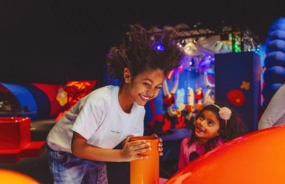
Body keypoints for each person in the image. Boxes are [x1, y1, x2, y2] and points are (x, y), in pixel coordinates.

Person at [46, 24, 185, 184]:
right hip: (65, 152)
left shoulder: (139, 109)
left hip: (96, 150)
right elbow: (77, 147)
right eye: (146, 84)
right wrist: (121, 155)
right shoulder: (100, 102)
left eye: (157, 87)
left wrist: (145, 145)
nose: (151, 92)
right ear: (128, 76)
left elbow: (129, 140)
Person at [177, 97, 247, 170]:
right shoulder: (186, 143)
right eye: (201, 117)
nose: (202, 123)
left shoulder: (221, 148)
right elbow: (181, 170)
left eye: (210, 123)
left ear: (219, 131)